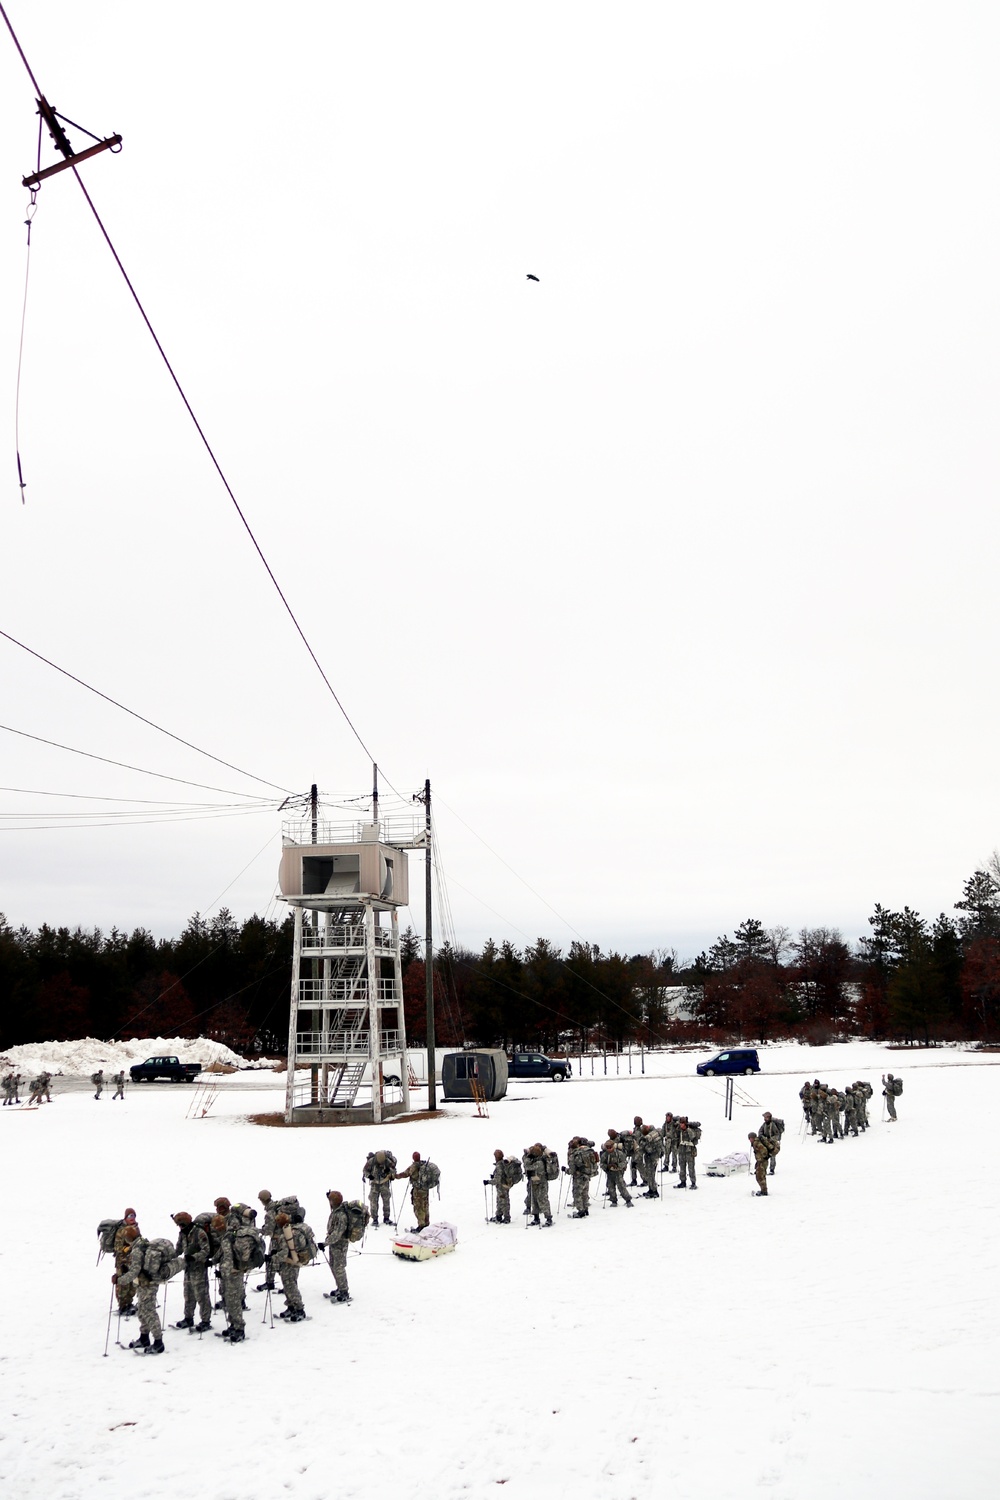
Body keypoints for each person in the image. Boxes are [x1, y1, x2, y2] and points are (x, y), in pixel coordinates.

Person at [115, 1226, 165, 1354]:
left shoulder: (137, 1250)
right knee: (143, 1310)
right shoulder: (143, 1243)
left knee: (149, 1311)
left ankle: (158, 1342)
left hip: (147, 1285)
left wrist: (120, 1280)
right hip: (144, 1284)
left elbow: (134, 1271)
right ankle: (144, 1338)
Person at [172, 1211, 212, 1331]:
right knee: (188, 1294)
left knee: (202, 1295)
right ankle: (188, 1318)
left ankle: (205, 1320)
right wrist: (168, 1257)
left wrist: (195, 1257)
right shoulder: (183, 1234)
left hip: (199, 1268)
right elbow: (178, 1249)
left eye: (181, 1225)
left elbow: (206, 1250)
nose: (180, 1227)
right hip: (188, 1268)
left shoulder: (199, 1233)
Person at [213, 1214, 246, 1341]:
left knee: (233, 1302)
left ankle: (239, 1329)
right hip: (232, 1273)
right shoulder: (227, 1236)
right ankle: (233, 1325)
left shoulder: (227, 1238)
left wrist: (223, 1272)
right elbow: (222, 1253)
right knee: (229, 1300)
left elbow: (228, 1258)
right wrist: (214, 1261)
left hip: (232, 1274)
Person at [271, 1211, 307, 1321]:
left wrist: (273, 1257)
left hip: (288, 1264)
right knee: (289, 1286)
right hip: (294, 1262)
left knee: (291, 1286)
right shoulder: (292, 1232)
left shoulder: (285, 1235)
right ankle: (291, 1307)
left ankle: (299, 1309)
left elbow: (283, 1253)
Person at [321, 1190, 351, 1303]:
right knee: (333, 1265)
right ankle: (340, 1287)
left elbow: (337, 1234)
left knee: (339, 1267)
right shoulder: (336, 1211)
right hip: (334, 1244)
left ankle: (344, 1291)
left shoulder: (341, 1215)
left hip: (339, 1245)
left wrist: (325, 1243)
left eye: (331, 1201)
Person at [394, 1151, 436, 1231]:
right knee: (425, 1206)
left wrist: (394, 1176)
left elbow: (404, 1174)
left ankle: (421, 1226)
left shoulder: (413, 1166)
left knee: (418, 1207)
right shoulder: (424, 1164)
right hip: (425, 1190)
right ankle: (426, 1223)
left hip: (418, 1191)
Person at [113, 1209, 140, 1319]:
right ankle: (123, 1305)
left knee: (133, 1283)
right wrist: (127, 1249)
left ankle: (129, 1303)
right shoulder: (121, 1230)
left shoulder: (136, 1228)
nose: (132, 1218)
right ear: (125, 1217)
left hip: (133, 1261)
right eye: (129, 1216)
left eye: (133, 1215)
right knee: (123, 1284)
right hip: (122, 1262)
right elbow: (117, 1247)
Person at [522, 1143, 553, 1227]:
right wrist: (527, 1156)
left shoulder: (540, 1162)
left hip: (541, 1184)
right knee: (534, 1201)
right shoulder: (535, 1160)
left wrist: (528, 1157)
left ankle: (548, 1218)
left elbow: (528, 1167)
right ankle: (536, 1218)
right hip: (533, 1183)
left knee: (543, 1200)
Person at [363, 1149, 397, 1227]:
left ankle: (386, 1218)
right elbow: (365, 1170)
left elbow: (394, 1171)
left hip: (384, 1182)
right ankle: (375, 1219)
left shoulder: (388, 1161)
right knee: (373, 1201)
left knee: (386, 1201)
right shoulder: (371, 1161)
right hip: (374, 1183)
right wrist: (369, 1176)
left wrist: (390, 1172)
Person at [599, 1138, 633, 1207]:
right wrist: (607, 1166)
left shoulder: (619, 1153)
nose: (609, 1149)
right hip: (609, 1173)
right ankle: (613, 1200)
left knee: (621, 1187)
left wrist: (617, 1165)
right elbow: (601, 1164)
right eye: (607, 1147)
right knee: (610, 1187)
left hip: (618, 1172)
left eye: (610, 1147)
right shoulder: (604, 1155)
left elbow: (624, 1162)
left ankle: (628, 1200)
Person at [485, 1148, 511, 1223]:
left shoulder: (499, 1165)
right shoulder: (503, 1163)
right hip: (504, 1185)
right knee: (500, 1201)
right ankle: (498, 1216)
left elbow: (498, 1180)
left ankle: (506, 1217)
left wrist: (488, 1182)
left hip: (502, 1186)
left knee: (503, 1201)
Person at [637, 1124, 662, 1197]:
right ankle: (651, 1189)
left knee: (651, 1174)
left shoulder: (648, 1138)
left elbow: (641, 1150)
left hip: (652, 1158)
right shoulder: (654, 1135)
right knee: (650, 1174)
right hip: (652, 1157)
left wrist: (636, 1161)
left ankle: (654, 1191)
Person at [675, 1117, 700, 1189]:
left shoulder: (690, 1130)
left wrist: (687, 1129)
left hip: (689, 1151)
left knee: (691, 1168)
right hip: (681, 1151)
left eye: (682, 1124)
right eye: (681, 1123)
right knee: (682, 1167)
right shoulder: (679, 1130)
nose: (681, 1125)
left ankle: (693, 1182)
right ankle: (683, 1182)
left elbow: (693, 1136)